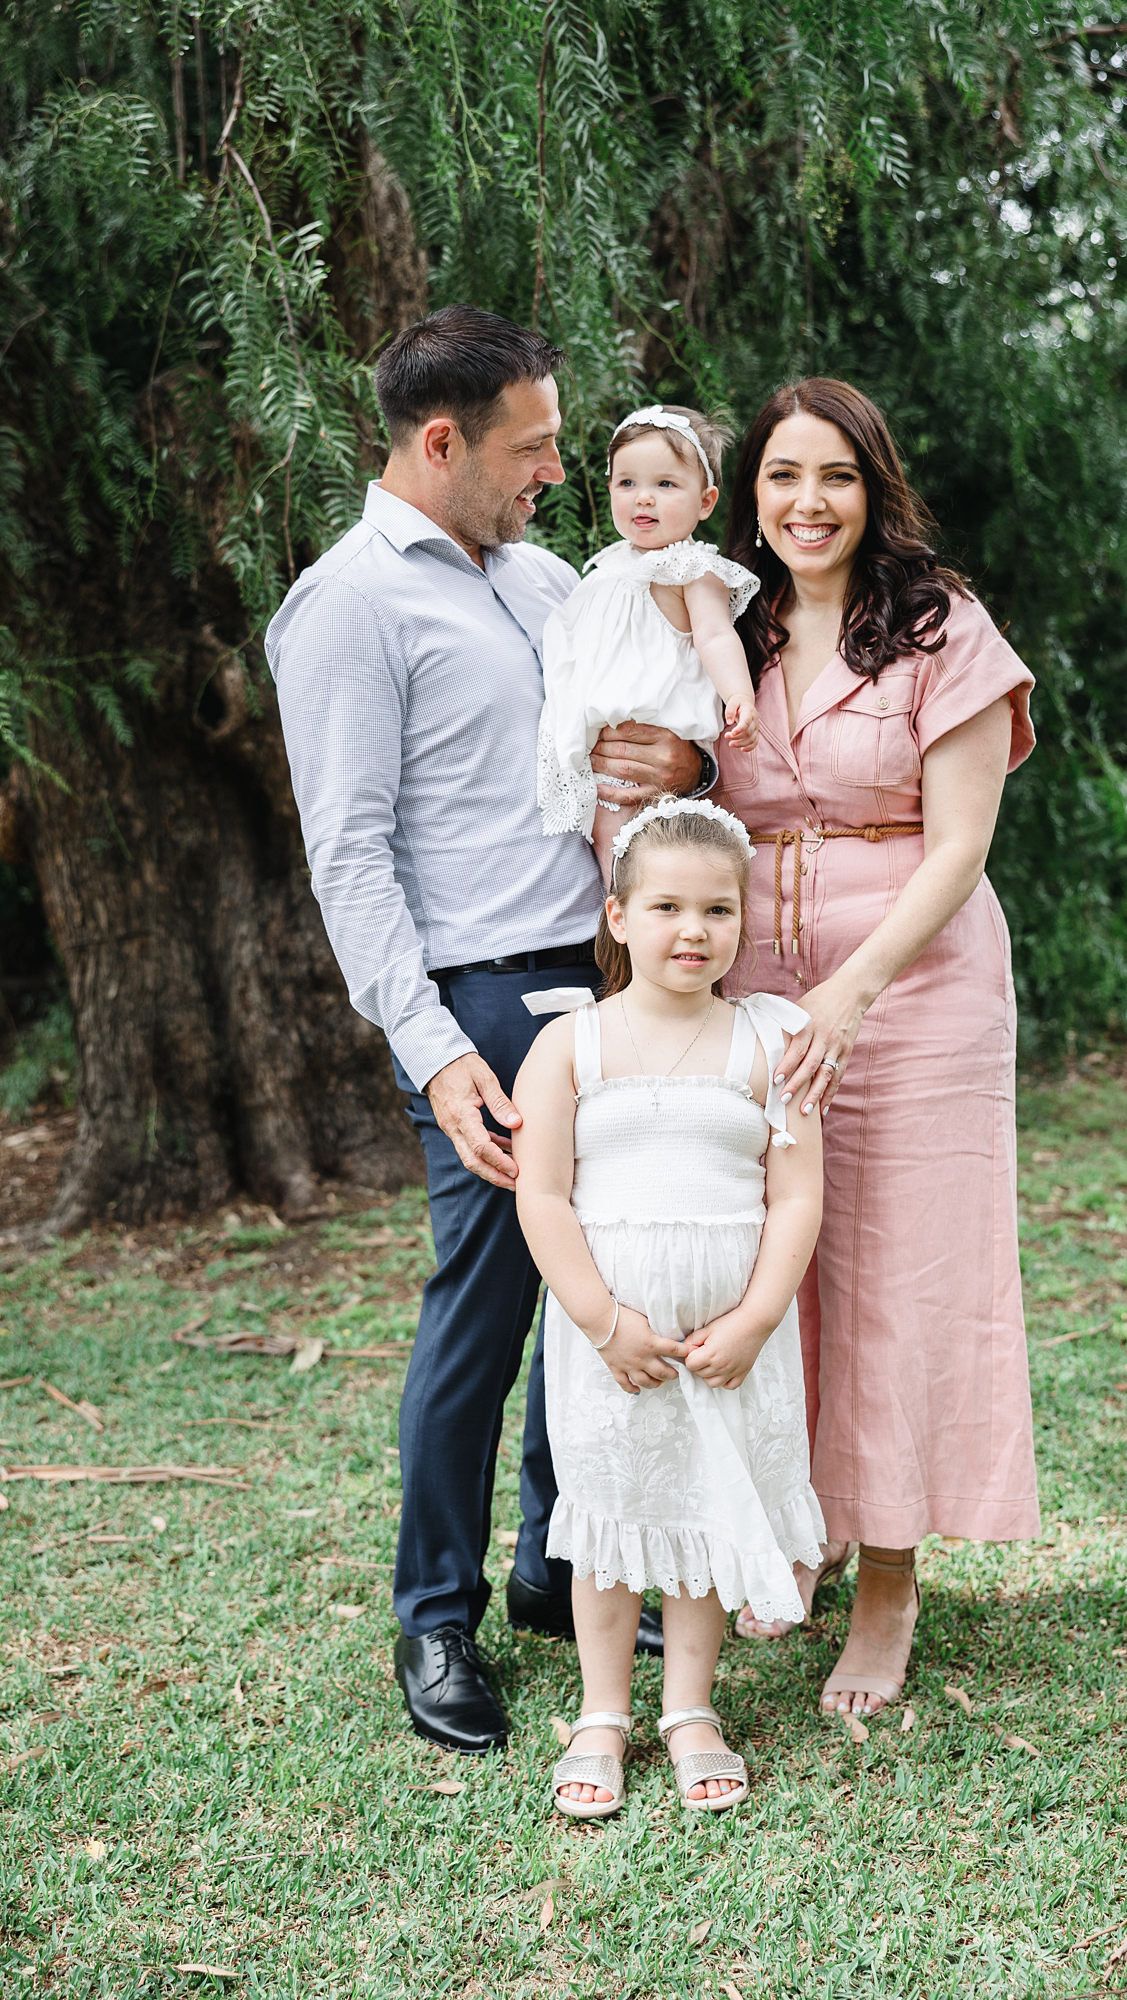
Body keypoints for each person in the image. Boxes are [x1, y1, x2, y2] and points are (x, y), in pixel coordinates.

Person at [266, 306, 711, 1756]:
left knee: (603, 1278)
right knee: (490, 1298)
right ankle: (436, 1617)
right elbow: (350, 858)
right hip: (475, 998)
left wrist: (679, 756)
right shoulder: (346, 605)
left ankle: (554, 1567)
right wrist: (436, 1049)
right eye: (532, 446)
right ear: (441, 441)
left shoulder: (538, 580)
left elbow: (621, 731)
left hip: (602, 972)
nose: (559, 472)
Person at [713, 377, 1041, 1715]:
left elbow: (959, 843)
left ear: (874, 486)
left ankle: (890, 1579)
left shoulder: (934, 625)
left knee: (901, 1275)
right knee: (776, 1267)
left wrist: (847, 994)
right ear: (751, 494)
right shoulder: (722, 624)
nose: (808, 503)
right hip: (748, 990)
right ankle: (805, 1520)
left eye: (834, 476)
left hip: (912, 988)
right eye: (783, 476)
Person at [512, 799, 824, 1817]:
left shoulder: (768, 1041)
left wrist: (757, 1316)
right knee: (609, 1519)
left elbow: (797, 1194)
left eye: (718, 909)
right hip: (614, 1338)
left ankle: (690, 1704)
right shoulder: (572, 1043)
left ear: (743, 920)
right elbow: (542, 1192)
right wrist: (602, 1318)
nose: (694, 929)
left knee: (699, 1514)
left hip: (724, 1336)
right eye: (667, 906)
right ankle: (603, 1709)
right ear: (616, 915)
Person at [537, 404, 760, 884]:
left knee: (636, 878)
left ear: (705, 502)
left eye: (665, 485)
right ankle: (619, 948)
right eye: (627, 484)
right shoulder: (606, 569)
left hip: (646, 765)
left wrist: (739, 695)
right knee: (607, 876)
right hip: (598, 763)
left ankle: (634, 953)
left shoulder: (691, 570)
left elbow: (716, 635)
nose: (643, 499)